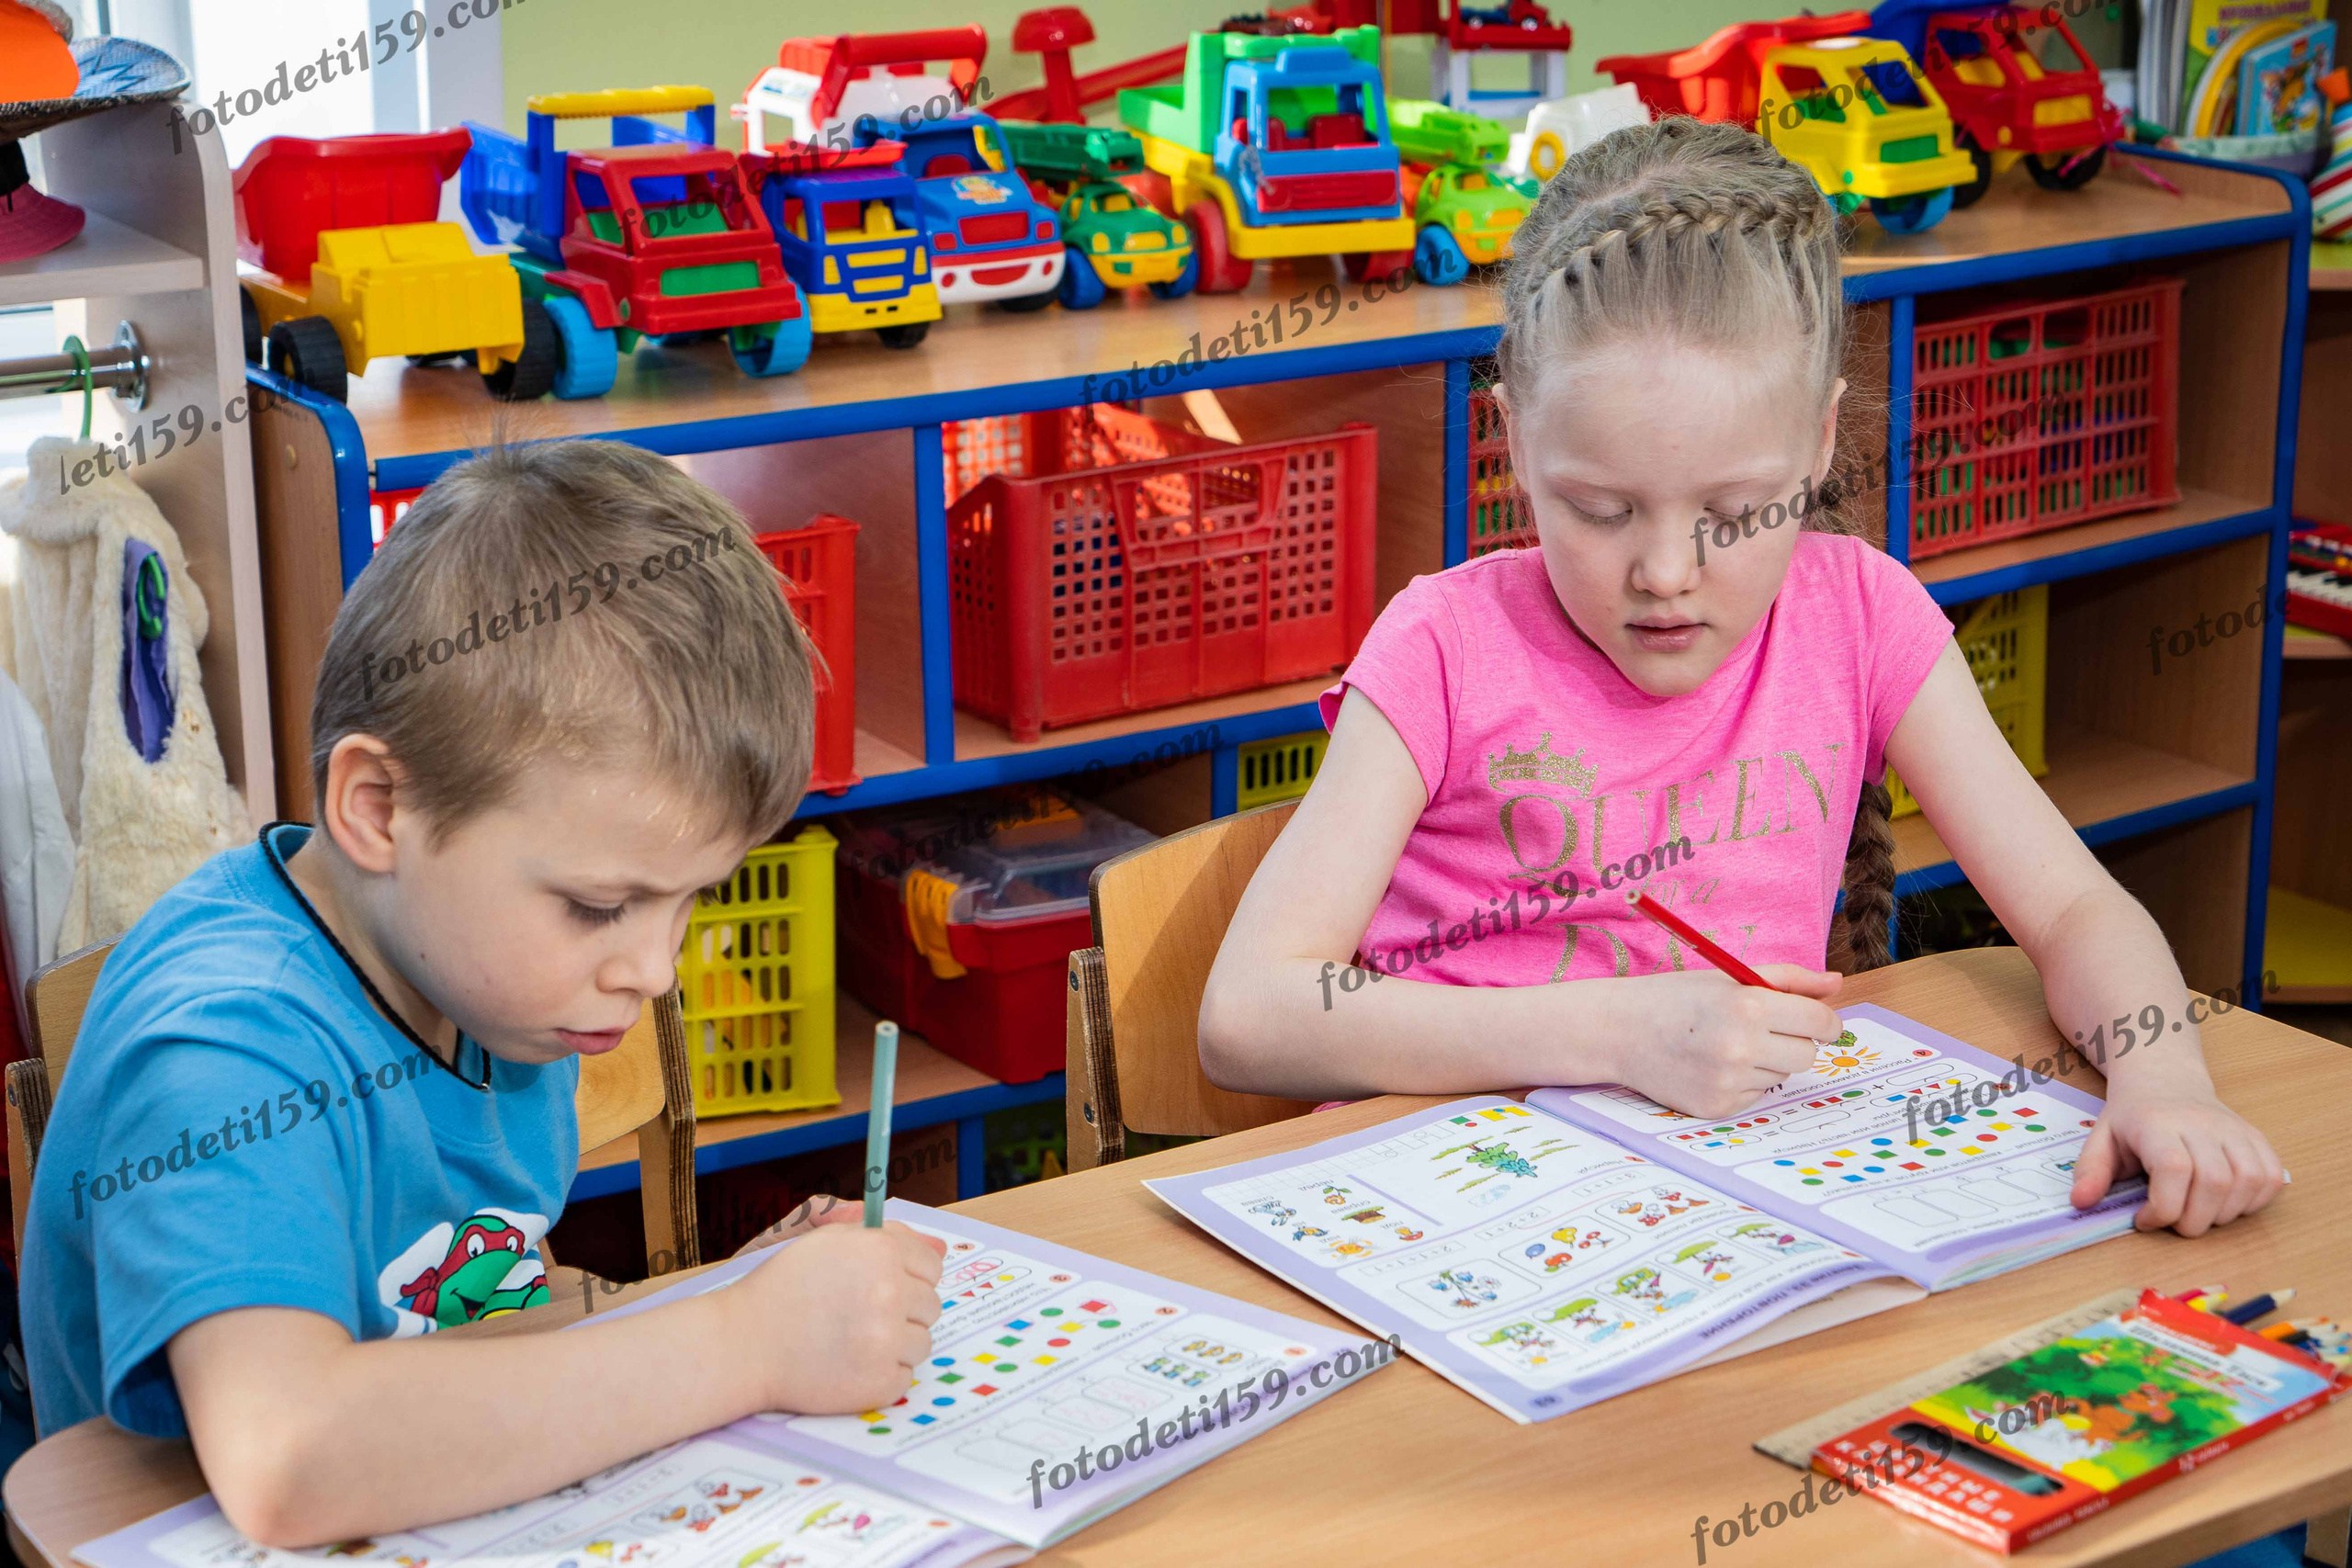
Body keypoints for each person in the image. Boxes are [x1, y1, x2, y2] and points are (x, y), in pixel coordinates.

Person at [1198, 118, 2280, 1239]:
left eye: (1730, 513)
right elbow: (1249, 1013)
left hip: (1726, 1223)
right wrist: (1616, 1034)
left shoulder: (1859, 615)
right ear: (1513, 441)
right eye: (1599, 510)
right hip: (1447, 1220)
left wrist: (2165, 1083)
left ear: (1817, 445)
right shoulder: (1442, 646)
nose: (1665, 575)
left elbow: (2070, 907)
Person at [22, 442, 944, 1544]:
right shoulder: (225, 1047)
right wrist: (740, 1344)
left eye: (689, 900)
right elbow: (288, 1457)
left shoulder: (490, 980)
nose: (653, 971)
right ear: (377, 808)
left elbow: (475, 1316)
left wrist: (726, 1301)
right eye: (602, 907)